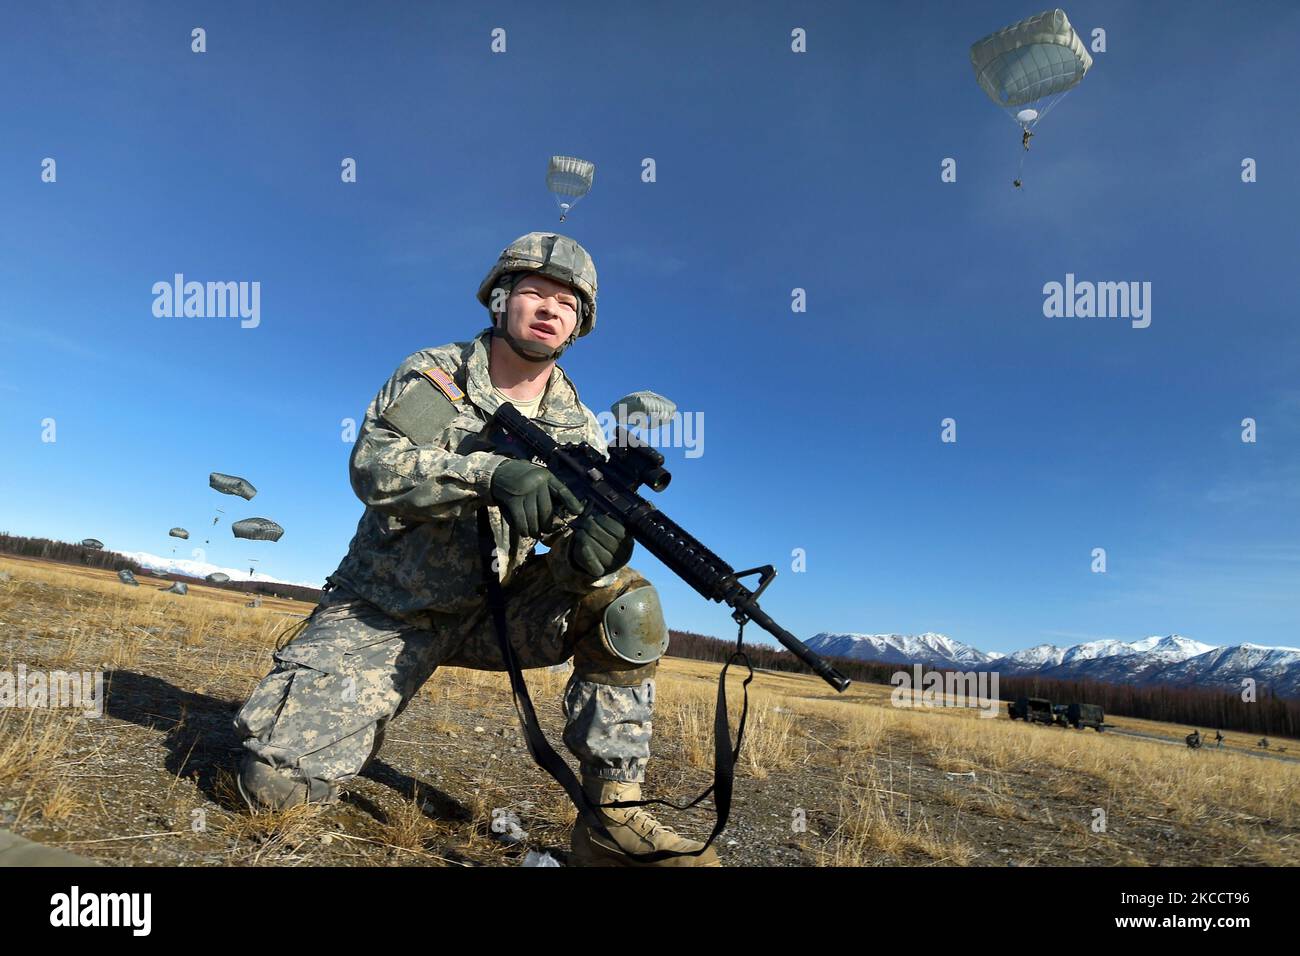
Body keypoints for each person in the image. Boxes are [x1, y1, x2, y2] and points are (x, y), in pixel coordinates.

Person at [231, 232, 719, 866]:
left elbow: (566, 551)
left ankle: (612, 820)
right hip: (387, 608)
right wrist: (488, 475)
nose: (549, 308)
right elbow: (375, 468)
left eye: (567, 304)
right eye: (534, 292)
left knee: (625, 599)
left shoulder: (580, 428)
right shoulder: (437, 378)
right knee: (274, 791)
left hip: (496, 614)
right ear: (499, 299)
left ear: (578, 326)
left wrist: (587, 556)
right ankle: (357, 708)